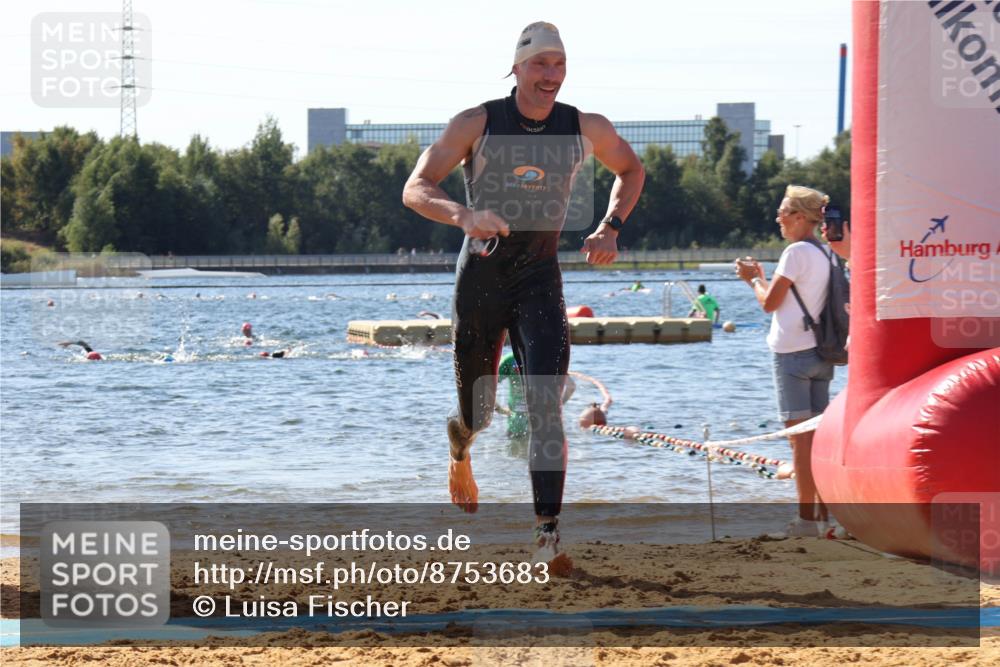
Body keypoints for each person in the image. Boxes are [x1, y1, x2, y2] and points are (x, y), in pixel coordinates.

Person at [402, 21, 644, 565]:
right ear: (516, 68)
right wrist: (464, 215)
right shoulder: (477, 122)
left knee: (545, 404)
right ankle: (459, 446)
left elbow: (630, 169)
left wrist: (610, 226)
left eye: (559, 65)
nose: (551, 75)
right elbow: (415, 188)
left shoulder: (583, 126)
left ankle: (547, 534)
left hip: (539, 277)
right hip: (482, 278)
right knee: (479, 413)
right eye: (540, 64)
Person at [735, 185, 836, 538]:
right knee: (819, 440)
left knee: (800, 441)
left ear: (799, 217)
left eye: (782, 213)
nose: (778, 218)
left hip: (792, 354)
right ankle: (826, 517)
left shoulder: (795, 252)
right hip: (821, 353)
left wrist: (753, 280)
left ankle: (806, 521)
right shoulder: (826, 252)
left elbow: (769, 303)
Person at [497, 351, 576, 439]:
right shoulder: (549, 359)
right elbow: (571, 387)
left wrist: (499, 409)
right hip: (543, 424)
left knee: (516, 450)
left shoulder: (510, 359)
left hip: (517, 425)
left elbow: (486, 386)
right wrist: (556, 406)